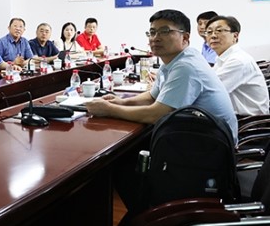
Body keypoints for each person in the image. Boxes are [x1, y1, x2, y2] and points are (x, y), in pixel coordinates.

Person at [86, 9, 237, 143]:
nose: (155, 38)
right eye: (152, 32)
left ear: (185, 38)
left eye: (164, 31)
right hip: (198, 133)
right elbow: (152, 97)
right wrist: (122, 102)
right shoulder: (172, 61)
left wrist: (110, 110)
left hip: (212, 144)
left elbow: (157, 115)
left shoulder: (186, 67)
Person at [206, 15, 269, 116]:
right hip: (233, 117)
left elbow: (210, 92)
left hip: (249, 121)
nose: (213, 36)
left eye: (219, 31)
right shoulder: (222, 59)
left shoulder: (238, 61)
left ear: (235, 36)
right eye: (209, 32)